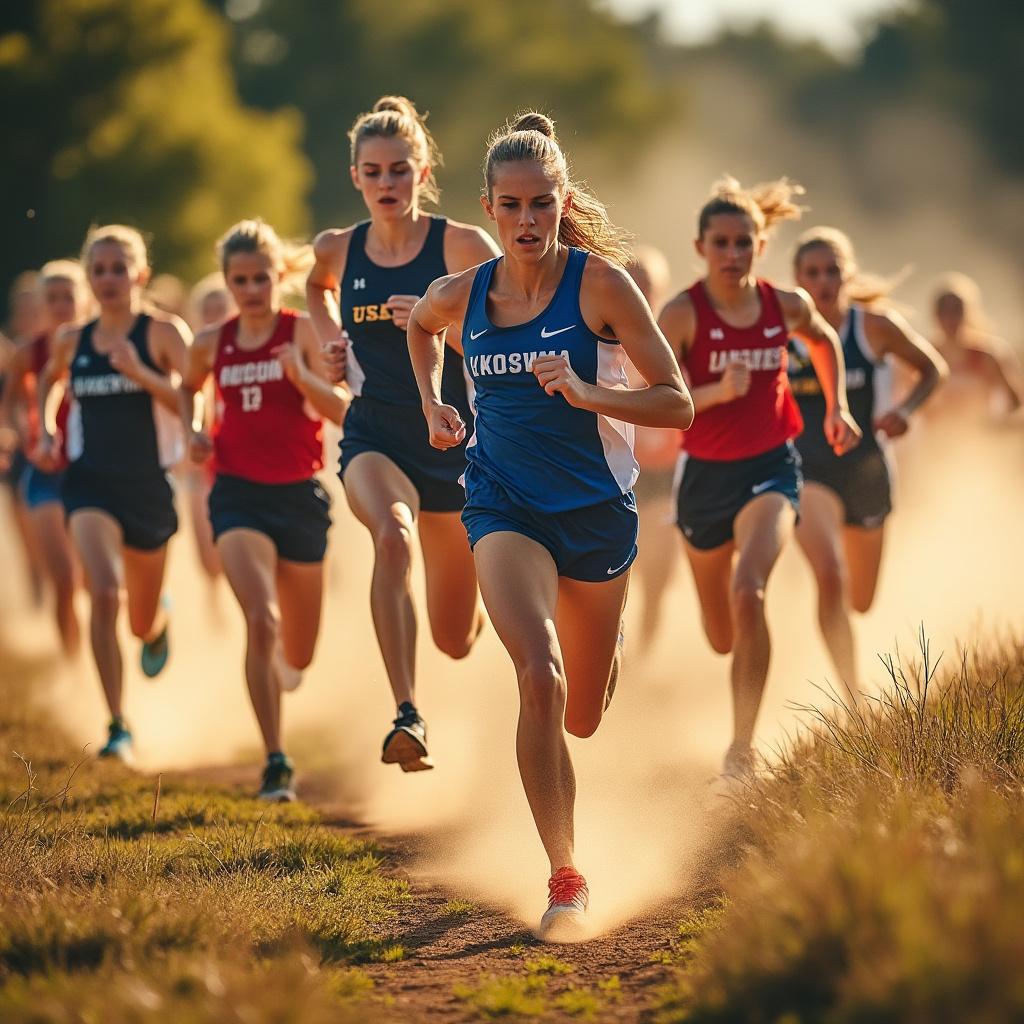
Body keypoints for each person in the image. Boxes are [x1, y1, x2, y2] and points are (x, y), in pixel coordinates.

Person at [408, 112, 693, 939]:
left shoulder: (601, 287)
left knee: (583, 714)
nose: (527, 220)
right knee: (541, 675)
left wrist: (589, 391)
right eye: (511, 205)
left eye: (541, 204)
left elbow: (675, 403)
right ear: (489, 208)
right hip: (503, 506)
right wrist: (432, 403)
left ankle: (607, 640)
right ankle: (566, 875)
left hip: (596, 515)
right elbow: (421, 328)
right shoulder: (464, 293)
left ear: (562, 204)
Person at [306, 95, 500, 772]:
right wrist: (329, 341)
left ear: (423, 173)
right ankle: (407, 714)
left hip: (450, 441)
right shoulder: (338, 247)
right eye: (373, 172)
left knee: (455, 638)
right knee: (391, 537)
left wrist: (433, 318)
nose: (385, 183)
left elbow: (513, 327)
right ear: (355, 177)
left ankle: (473, 615)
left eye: (398, 169)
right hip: (374, 434)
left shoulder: (463, 246)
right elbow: (316, 286)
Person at [658, 177, 860, 778]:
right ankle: (734, 707)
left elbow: (824, 340)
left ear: (760, 246)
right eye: (721, 243)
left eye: (743, 242)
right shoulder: (682, 314)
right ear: (700, 248)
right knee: (722, 634)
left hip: (770, 468)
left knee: (751, 591)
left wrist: (838, 406)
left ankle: (741, 747)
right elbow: (656, 397)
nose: (732, 253)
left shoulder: (784, 305)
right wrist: (715, 392)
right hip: (703, 480)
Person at [180, 220, 345, 802]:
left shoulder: (301, 332)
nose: (251, 290)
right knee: (261, 619)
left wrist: (300, 376)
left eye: (260, 279)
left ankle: (283, 669)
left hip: (298, 497)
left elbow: (341, 410)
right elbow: (189, 387)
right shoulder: (211, 342)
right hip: (237, 495)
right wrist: (194, 429)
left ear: (279, 277)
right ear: (227, 282)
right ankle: (276, 758)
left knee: (298, 654)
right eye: (240, 280)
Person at [35, 225, 188, 763]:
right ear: (88, 277)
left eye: (118, 269)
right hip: (89, 484)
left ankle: (157, 622)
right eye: (98, 270)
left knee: (139, 622)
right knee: (102, 593)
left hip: (148, 489)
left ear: (139, 274)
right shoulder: (71, 340)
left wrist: (140, 373)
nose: (108, 279)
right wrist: (46, 430)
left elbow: (191, 400)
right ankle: (118, 725)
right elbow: (49, 380)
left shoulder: (162, 332)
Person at [789, 227, 947, 697]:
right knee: (830, 576)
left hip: (866, 470)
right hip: (806, 471)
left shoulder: (874, 327)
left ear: (848, 274)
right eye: (813, 273)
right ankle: (853, 697)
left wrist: (905, 411)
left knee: (861, 600)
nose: (823, 282)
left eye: (832, 271)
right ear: (797, 279)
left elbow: (933, 368)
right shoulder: (782, 334)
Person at [0, 260, 93, 654]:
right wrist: (23, 435)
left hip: (95, 474)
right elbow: (11, 405)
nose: (59, 306)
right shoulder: (28, 352)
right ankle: (72, 666)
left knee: (95, 583)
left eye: (67, 297)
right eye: (51, 298)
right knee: (65, 581)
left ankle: (106, 641)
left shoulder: (100, 345)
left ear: (83, 300)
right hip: (45, 473)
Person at [624, 245, 682, 648]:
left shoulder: (675, 340)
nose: (640, 291)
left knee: (658, 573)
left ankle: (644, 654)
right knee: (620, 569)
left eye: (647, 284)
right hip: (617, 471)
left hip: (666, 471)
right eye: (632, 282)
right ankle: (616, 644)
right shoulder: (600, 336)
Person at [181, 272, 237, 583]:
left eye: (220, 308)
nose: (214, 316)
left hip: (239, 466)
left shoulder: (247, 354)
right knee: (209, 561)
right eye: (207, 309)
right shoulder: (191, 359)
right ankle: (212, 604)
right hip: (202, 470)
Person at [930, 272, 1021, 419]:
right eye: (944, 311)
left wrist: (997, 424)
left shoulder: (988, 355)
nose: (950, 318)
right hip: (938, 431)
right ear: (936, 315)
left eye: (956, 310)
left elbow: (1015, 401)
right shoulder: (925, 355)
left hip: (978, 431)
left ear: (968, 313)